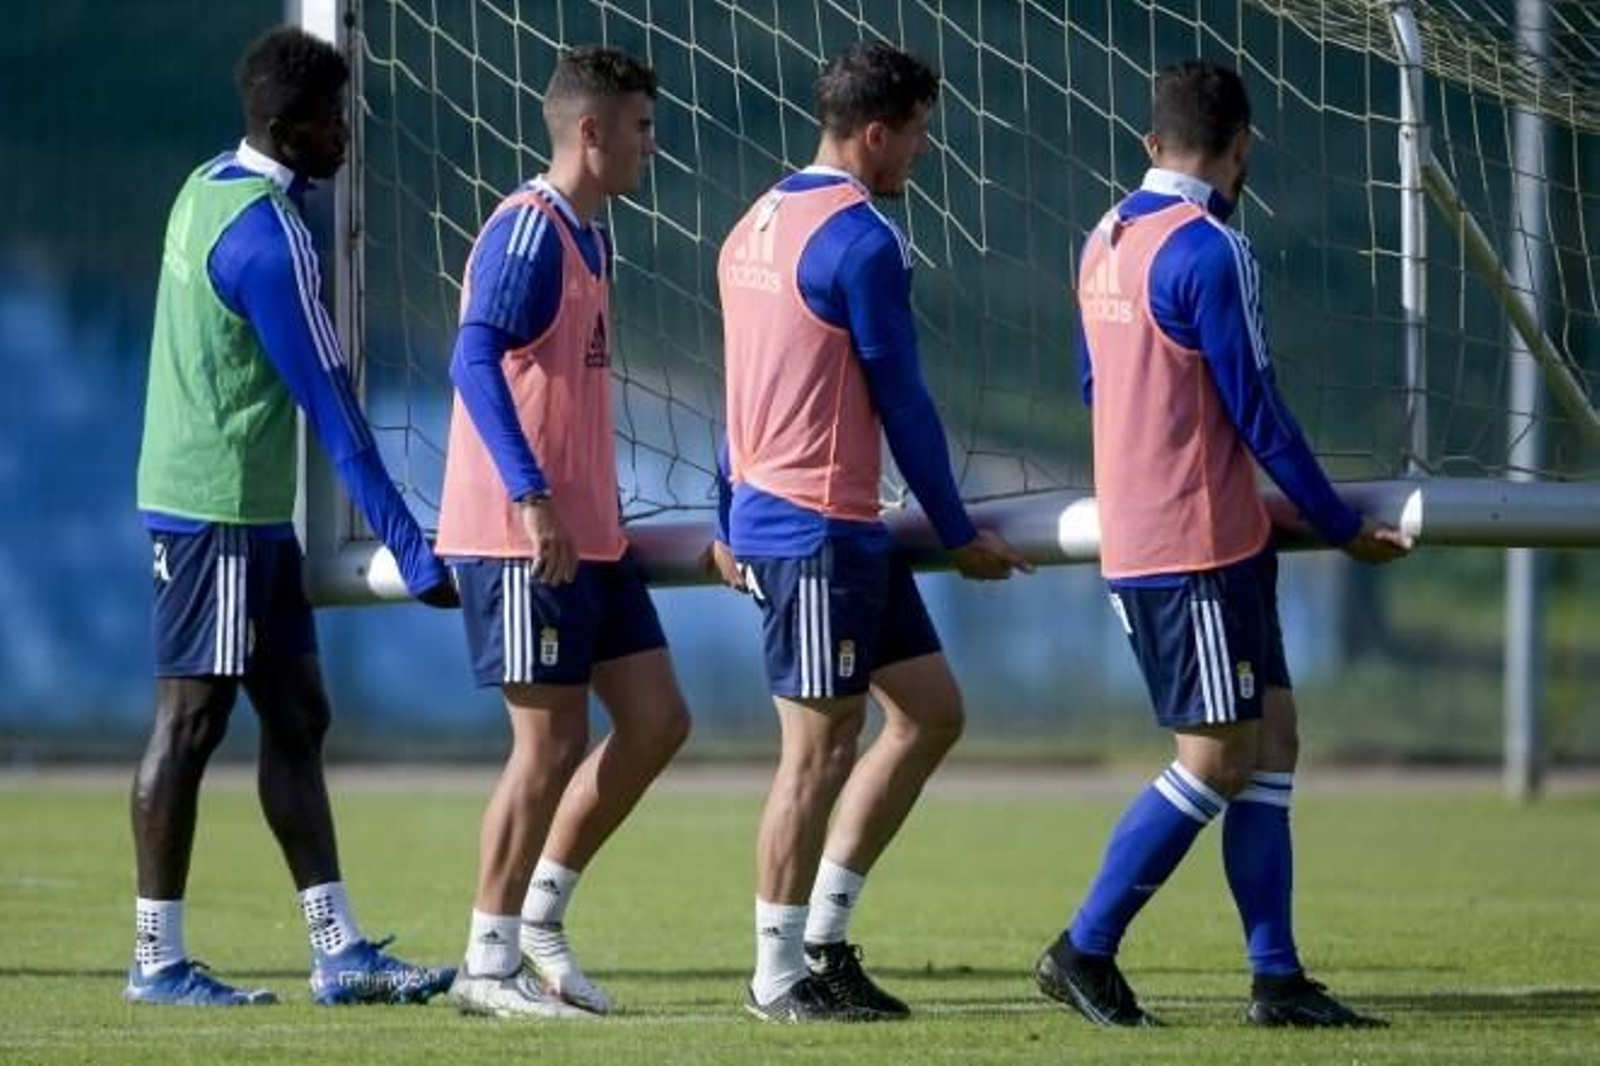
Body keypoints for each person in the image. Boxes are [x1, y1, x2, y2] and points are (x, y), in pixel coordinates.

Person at [1033, 59, 1412, 1029]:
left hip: (1188, 535)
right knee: (1213, 759)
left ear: (1150, 142)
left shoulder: (1105, 237)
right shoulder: (1211, 249)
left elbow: (1094, 385)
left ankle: (1276, 979)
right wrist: (1339, 525)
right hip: (1191, 544)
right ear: (1242, 146)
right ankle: (1083, 949)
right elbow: (1258, 409)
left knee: (1273, 737)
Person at [128, 26, 459, 1007]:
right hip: (217, 508)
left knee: (299, 714)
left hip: (246, 510)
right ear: (287, 130)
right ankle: (155, 959)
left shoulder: (206, 184)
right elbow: (334, 409)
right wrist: (412, 549)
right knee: (191, 722)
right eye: (330, 122)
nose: (344, 136)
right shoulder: (272, 244)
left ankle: (338, 949)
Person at [711, 40, 1032, 1023]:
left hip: (833, 525)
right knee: (815, 753)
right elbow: (905, 401)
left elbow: (741, 386)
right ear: (877, 133)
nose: (925, 152)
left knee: (930, 712)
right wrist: (957, 530)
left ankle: (823, 940)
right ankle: (775, 976)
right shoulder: (861, 240)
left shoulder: (755, 220)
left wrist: (724, 509)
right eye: (920, 132)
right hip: (811, 530)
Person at [435, 45, 691, 1019]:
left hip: (590, 540)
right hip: (523, 538)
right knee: (547, 746)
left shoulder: (593, 238)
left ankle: (538, 921)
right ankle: (485, 964)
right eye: (640, 128)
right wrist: (533, 496)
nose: (650, 147)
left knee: (658, 720)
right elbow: (472, 359)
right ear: (591, 131)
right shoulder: (528, 233)